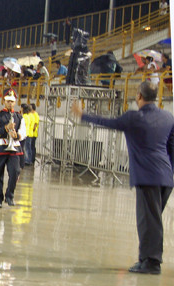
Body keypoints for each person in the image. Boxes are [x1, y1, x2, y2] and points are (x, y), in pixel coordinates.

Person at [72, 82, 174, 274]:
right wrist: (170, 172)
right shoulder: (168, 117)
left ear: (139, 96)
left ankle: (152, 263)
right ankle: (146, 259)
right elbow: (172, 147)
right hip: (165, 177)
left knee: (148, 221)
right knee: (152, 221)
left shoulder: (134, 118)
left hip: (147, 177)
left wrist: (83, 114)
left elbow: (109, 123)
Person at [0, 89, 26, 208]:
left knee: (15, 172)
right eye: (7, 101)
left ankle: (9, 196)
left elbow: (23, 132)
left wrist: (17, 135)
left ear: (14, 102)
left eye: (12, 101)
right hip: (0, 147)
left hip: (14, 148)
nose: (10, 103)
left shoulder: (19, 117)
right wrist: (6, 128)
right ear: (3, 101)